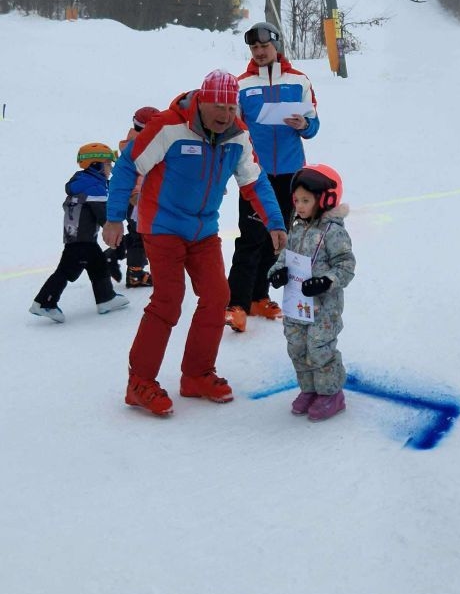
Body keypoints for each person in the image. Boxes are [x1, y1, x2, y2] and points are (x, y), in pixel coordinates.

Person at [103, 69, 287, 416]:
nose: (225, 115)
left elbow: (254, 182)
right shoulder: (169, 126)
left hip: (203, 230)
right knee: (169, 299)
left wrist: (274, 222)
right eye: (219, 107)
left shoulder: (237, 136)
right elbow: (128, 166)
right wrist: (114, 217)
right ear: (202, 101)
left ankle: (197, 374)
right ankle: (139, 382)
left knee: (217, 296)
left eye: (231, 109)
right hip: (162, 226)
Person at [225, 21, 320, 333]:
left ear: (276, 45)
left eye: (264, 46)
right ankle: (236, 305)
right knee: (250, 238)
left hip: (291, 173)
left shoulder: (299, 80)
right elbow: (233, 129)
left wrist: (304, 125)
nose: (259, 52)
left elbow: (314, 125)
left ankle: (258, 297)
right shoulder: (241, 85)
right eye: (254, 47)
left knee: (276, 239)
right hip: (255, 174)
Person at [268, 164, 355, 421]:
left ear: (325, 199)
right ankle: (309, 389)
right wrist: (277, 272)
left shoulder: (334, 232)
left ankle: (330, 394)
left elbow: (346, 266)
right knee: (297, 346)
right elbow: (284, 257)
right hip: (297, 304)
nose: (300, 206)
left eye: (306, 200)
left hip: (324, 307)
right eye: (297, 201)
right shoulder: (297, 228)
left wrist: (325, 282)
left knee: (319, 348)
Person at [29, 143, 130, 323]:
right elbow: (104, 215)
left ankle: (106, 298)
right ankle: (45, 302)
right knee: (67, 271)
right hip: (81, 240)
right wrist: (116, 234)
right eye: (108, 164)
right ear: (96, 165)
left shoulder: (83, 182)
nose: (111, 169)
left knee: (98, 265)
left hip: (79, 237)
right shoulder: (93, 187)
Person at [104, 106, 158, 288]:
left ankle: (112, 255)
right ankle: (135, 273)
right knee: (141, 237)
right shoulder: (142, 146)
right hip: (137, 199)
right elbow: (140, 175)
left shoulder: (131, 142)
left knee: (138, 234)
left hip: (134, 198)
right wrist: (136, 195)